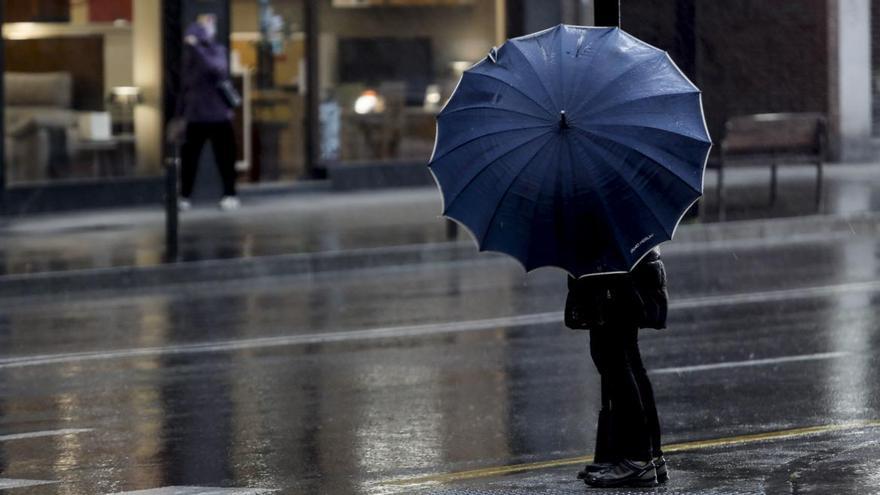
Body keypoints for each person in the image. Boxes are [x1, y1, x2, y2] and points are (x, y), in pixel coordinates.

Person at [564, 247, 669, 488]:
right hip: (626, 267)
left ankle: (638, 459)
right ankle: (649, 455)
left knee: (613, 357)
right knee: (626, 357)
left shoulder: (598, 212)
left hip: (613, 273)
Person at [176, 14, 240, 211]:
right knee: (189, 158)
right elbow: (185, 85)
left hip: (219, 115)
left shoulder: (217, 51)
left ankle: (230, 194)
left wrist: (197, 47)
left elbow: (215, 69)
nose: (210, 28)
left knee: (226, 157)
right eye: (205, 25)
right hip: (196, 115)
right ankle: (185, 195)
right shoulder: (189, 57)